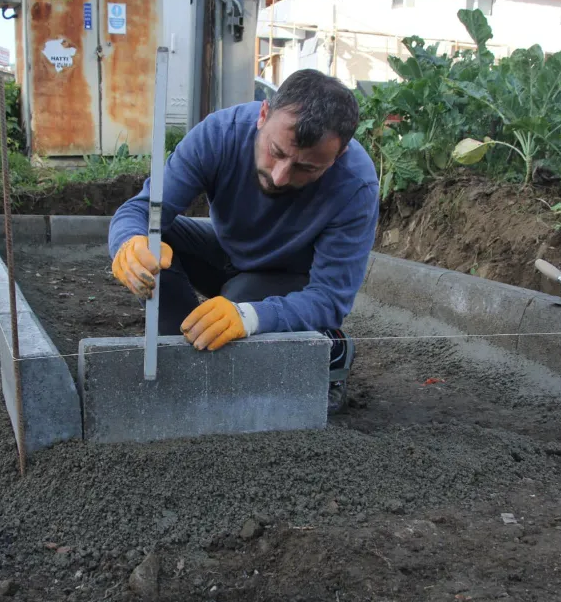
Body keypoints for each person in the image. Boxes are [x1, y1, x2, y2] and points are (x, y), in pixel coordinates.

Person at [108, 69, 379, 413]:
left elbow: (329, 299)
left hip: (287, 277)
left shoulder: (355, 184)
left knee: (237, 307)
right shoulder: (220, 134)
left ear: (337, 156)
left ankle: (331, 346)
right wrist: (128, 243)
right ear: (263, 115)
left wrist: (249, 316)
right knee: (157, 238)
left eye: (306, 169)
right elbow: (142, 210)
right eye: (276, 151)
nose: (280, 176)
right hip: (225, 252)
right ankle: (179, 349)